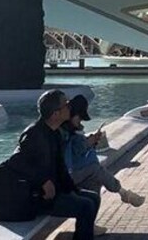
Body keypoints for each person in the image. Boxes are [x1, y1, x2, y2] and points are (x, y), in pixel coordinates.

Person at [7, 89, 104, 240]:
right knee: (86, 206)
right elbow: (16, 162)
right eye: (65, 105)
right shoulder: (33, 134)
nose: (69, 107)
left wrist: (72, 189)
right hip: (36, 197)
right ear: (55, 114)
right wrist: (43, 181)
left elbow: (61, 169)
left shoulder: (54, 133)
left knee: (93, 198)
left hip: (54, 191)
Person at [61, 95, 145, 207]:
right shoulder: (64, 131)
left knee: (96, 181)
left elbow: (80, 152)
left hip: (79, 170)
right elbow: (73, 151)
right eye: (79, 117)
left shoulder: (74, 130)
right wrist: (87, 142)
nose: (80, 121)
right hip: (70, 174)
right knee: (96, 170)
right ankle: (123, 192)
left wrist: (93, 141)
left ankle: (91, 220)